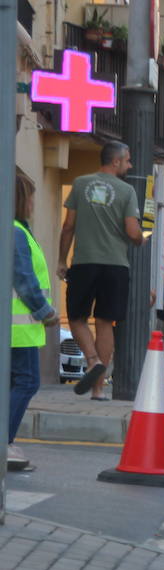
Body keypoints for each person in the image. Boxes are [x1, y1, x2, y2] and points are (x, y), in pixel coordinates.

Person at [58, 140, 144, 400]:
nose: (130, 165)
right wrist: (142, 237)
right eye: (127, 160)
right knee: (106, 322)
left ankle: (93, 361)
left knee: (77, 318)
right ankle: (98, 390)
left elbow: (68, 226)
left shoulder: (81, 183)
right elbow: (132, 232)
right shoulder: (127, 191)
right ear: (115, 161)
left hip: (85, 262)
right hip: (116, 266)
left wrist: (62, 260)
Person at [9, 172, 60, 470]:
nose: (32, 203)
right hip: (21, 329)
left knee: (15, 384)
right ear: (20, 200)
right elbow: (25, 281)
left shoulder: (17, 230)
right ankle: (5, 442)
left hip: (19, 329)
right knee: (27, 382)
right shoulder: (16, 232)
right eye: (30, 197)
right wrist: (45, 312)